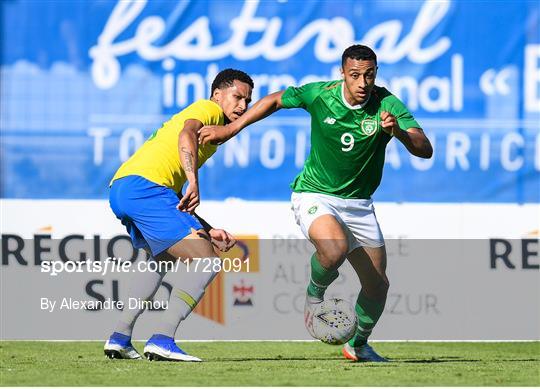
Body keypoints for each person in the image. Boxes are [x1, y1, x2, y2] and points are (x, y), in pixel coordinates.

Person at [199, 45, 433, 362]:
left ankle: (359, 345)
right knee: (334, 248)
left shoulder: (386, 103)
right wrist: (230, 128)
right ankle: (314, 295)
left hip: (360, 205)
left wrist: (400, 134)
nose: (362, 83)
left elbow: (424, 148)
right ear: (342, 74)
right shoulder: (320, 94)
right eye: (355, 75)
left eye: (369, 75)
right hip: (315, 194)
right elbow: (275, 99)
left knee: (378, 286)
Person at [104, 69, 254, 362]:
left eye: (247, 101)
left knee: (161, 260)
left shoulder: (214, 125)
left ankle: (119, 337)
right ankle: (163, 338)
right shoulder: (208, 109)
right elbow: (187, 135)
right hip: (146, 189)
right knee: (207, 261)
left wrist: (207, 229)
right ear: (217, 95)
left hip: (122, 188)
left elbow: (173, 199)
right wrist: (194, 180)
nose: (242, 106)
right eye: (237, 97)